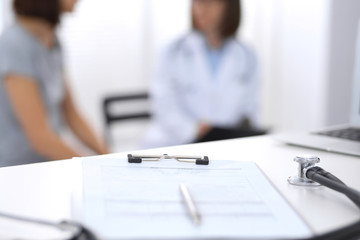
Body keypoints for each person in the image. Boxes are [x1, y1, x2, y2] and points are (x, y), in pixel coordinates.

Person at [0, 0, 109, 167]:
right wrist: (91, 167)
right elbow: (40, 138)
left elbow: (73, 117)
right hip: (19, 169)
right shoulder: (14, 44)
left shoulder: (53, 41)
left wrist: (110, 157)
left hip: (49, 163)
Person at [142, 0, 262, 148]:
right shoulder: (172, 51)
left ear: (229, 6)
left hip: (226, 146)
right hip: (173, 145)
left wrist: (239, 131)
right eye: (196, 2)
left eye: (207, 3)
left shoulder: (247, 55)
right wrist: (194, 130)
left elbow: (250, 109)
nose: (199, 9)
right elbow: (164, 105)